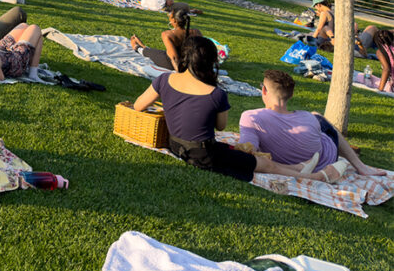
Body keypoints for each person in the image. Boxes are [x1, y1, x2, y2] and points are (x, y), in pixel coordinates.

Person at [132, 37, 330, 183]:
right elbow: (220, 126)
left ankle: (296, 168)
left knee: (240, 154)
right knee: (263, 164)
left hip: (175, 145)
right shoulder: (215, 94)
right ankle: (311, 176)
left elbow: (138, 106)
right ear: (211, 62)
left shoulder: (164, 80)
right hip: (203, 155)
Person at [239, 70, 384, 180]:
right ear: (291, 95)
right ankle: (360, 166)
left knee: (318, 118)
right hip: (327, 158)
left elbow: (248, 149)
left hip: (309, 159)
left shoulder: (251, 117)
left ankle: (358, 163)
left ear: (264, 90)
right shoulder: (307, 118)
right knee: (318, 117)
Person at [128, 8, 201, 71]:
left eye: (170, 16)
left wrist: (179, 74)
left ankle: (137, 47)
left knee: (151, 53)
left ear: (174, 21)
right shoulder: (196, 32)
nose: (168, 17)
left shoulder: (167, 34)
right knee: (159, 52)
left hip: (172, 64)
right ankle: (143, 46)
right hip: (191, 62)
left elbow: (174, 58)